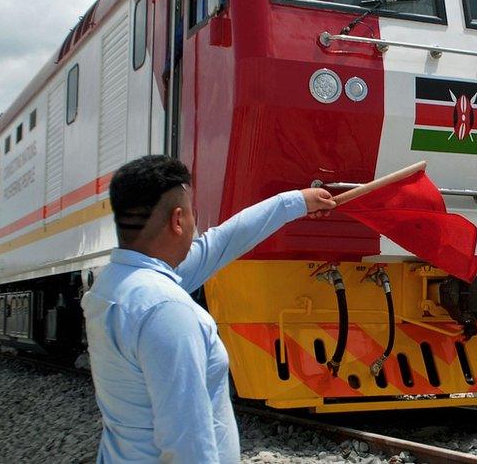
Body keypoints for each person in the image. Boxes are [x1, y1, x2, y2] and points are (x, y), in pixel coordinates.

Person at [82, 155, 335, 463]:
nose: (196, 226)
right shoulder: (167, 309)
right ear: (178, 221)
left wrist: (296, 202)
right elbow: (187, 439)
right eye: (193, 214)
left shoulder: (113, 286)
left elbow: (220, 242)